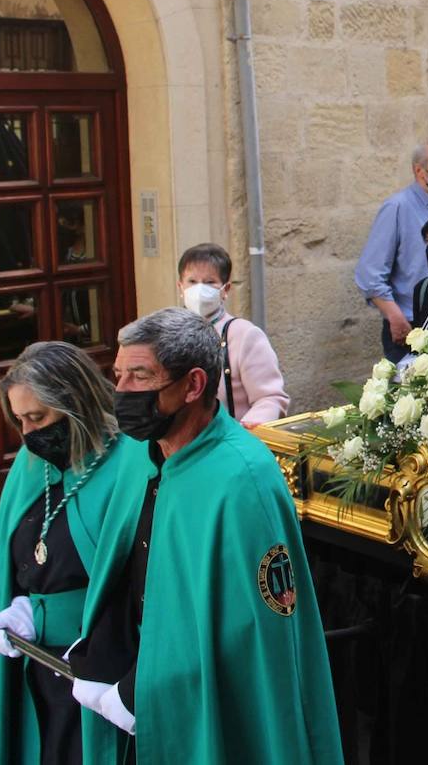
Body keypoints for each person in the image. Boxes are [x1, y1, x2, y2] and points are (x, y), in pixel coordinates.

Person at [66, 309, 342, 761]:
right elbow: (124, 565)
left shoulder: (243, 477)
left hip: (201, 697)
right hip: (134, 672)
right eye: (117, 375)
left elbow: (253, 630)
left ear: (194, 385)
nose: (122, 392)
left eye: (140, 376)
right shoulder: (141, 454)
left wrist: (145, 688)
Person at [0, 343, 129, 765]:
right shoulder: (32, 465)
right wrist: (23, 606)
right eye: (20, 420)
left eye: (39, 417)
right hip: (38, 666)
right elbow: (18, 561)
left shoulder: (127, 463)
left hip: (99, 671)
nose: (29, 433)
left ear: (76, 402)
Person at [355, 141, 428, 361]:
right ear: (419, 171)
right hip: (411, 326)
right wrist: (395, 316)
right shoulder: (397, 208)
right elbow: (369, 274)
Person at [176, 243, 289, 427]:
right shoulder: (165, 335)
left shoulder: (244, 335)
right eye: (192, 282)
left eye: (210, 282)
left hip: (230, 444)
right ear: (180, 287)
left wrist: (244, 433)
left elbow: (270, 398)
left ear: (225, 290)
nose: (200, 289)